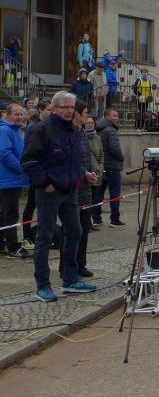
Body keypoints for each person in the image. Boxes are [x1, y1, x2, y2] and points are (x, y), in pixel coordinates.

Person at [21, 91, 97, 302]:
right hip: (49, 192)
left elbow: (71, 160)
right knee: (44, 237)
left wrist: (83, 174)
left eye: (71, 107)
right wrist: (45, 184)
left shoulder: (73, 130)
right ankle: (42, 285)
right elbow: (28, 161)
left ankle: (70, 279)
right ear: (54, 109)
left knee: (75, 231)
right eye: (64, 107)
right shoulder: (41, 130)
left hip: (70, 190)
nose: (69, 111)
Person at [59, 101, 95, 278]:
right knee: (71, 230)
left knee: (84, 228)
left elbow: (86, 157)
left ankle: (80, 264)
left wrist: (91, 172)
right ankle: (67, 267)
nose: (87, 116)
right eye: (85, 112)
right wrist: (83, 173)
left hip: (85, 188)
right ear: (77, 114)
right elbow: (69, 159)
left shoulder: (81, 132)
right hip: (74, 188)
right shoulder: (69, 133)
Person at [0, 103, 31, 258]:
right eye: (16, 114)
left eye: (21, 114)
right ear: (7, 115)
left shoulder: (14, 130)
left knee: (5, 213)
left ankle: (2, 244)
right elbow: (4, 153)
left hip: (12, 179)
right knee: (10, 213)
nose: (19, 117)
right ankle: (12, 246)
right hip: (9, 179)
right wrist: (21, 168)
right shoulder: (5, 130)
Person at [20, 99, 51, 251]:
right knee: (31, 204)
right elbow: (29, 154)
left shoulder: (50, 126)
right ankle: (27, 236)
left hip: (48, 173)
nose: (51, 112)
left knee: (43, 207)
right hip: (37, 174)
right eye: (49, 109)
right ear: (40, 110)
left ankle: (42, 234)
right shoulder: (34, 127)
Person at [95, 108, 125, 226]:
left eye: (117, 116)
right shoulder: (111, 130)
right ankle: (115, 219)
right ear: (107, 116)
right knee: (115, 194)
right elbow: (115, 148)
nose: (117, 118)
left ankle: (96, 219)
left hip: (101, 166)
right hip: (112, 166)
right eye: (114, 116)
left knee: (98, 193)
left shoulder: (98, 129)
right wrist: (121, 158)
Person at [84, 116, 103, 231]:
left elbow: (101, 155)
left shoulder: (97, 138)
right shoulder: (81, 137)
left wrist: (100, 167)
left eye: (92, 122)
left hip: (97, 172)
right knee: (86, 200)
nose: (90, 124)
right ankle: (87, 223)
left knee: (95, 199)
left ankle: (94, 221)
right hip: (86, 173)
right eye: (87, 122)